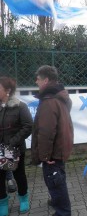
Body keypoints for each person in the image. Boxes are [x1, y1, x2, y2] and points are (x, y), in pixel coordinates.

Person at [31, 66, 73, 216]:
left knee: (56, 184)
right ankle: (59, 206)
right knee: (58, 182)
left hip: (52, 155)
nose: (36, 81)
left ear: (46, 80)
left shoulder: (49, 101)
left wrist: (45, 156)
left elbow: (46, 132)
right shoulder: (60, 97)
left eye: (38, 79)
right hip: (59, 150)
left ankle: (63, 212)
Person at [0, 76, 33, 215]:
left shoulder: (20, 106)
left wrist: (12, 142)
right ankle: (3, 203)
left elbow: (28, 126)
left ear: (7, 90)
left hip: (15, 149)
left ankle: (24, 199)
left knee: (19, 175)